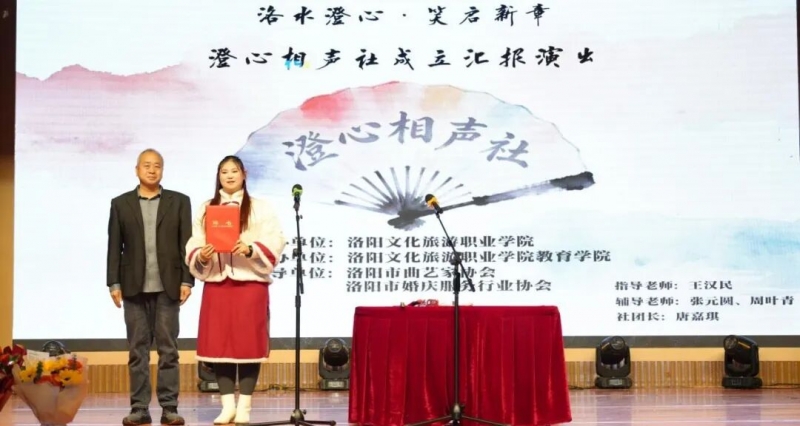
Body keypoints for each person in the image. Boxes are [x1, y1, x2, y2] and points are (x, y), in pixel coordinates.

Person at [185, 155, 287, 425]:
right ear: (218, 176)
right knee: (220, 347)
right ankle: (227, 405)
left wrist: (250, 249)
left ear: (244, 174)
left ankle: (245, 406)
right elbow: (195, 240)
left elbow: (276, 239)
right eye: (224, 172)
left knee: (248, 346)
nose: (229, 176)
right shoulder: (206, 208)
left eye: (234, 171)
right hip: (218, 284)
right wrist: (202, 254)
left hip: (250, 284)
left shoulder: (261, 208)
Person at [106, 148, 194, 426]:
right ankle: (139, 407)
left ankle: (169, 407)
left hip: (168, 287)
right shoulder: (120, 203)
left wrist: (187, 279)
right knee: (137, 350)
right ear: (137, 170)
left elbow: (186, 243)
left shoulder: (179, 202)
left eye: (157, 165)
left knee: (169, 350)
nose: (152, 170)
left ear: (162, 170)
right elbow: (114, 247)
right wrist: (113, 282)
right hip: (133, 287)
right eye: (146, 165)